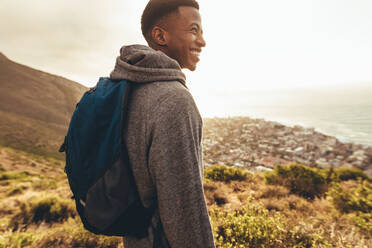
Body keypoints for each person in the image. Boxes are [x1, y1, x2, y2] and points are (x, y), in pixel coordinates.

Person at [109, 0, 215, 247]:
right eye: (193, 30)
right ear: (160, 35)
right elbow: (185, 212)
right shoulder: (174, 100)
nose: (202, 41)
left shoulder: (128, 89)